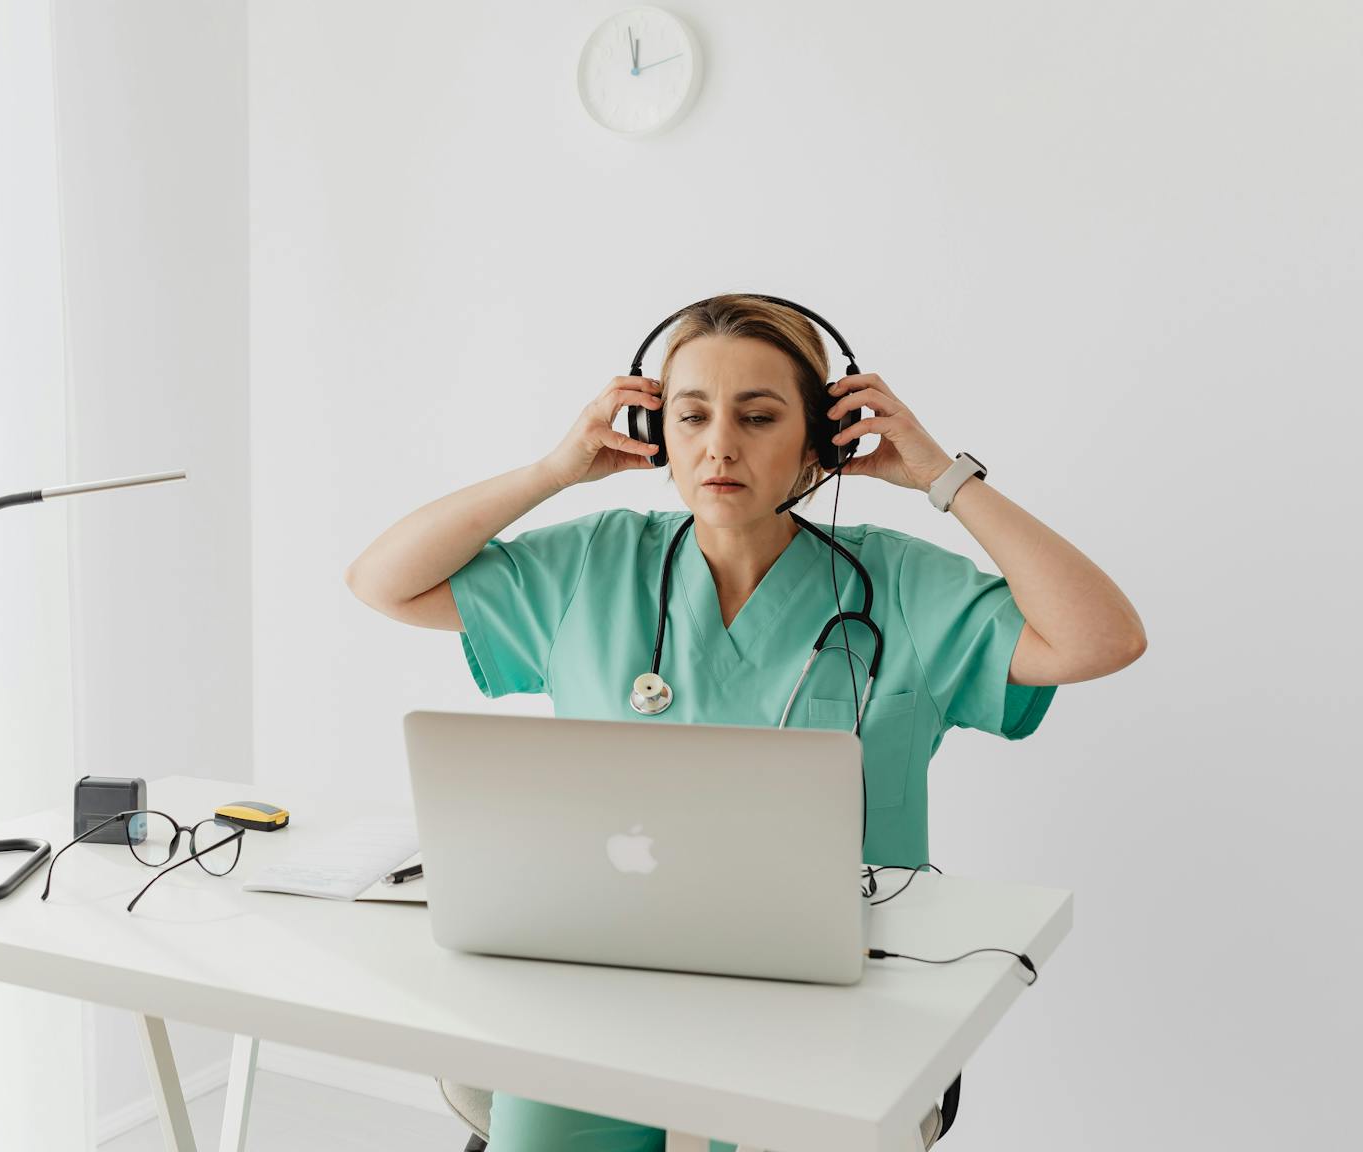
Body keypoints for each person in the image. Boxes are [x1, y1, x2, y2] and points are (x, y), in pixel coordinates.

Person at [344, 294, 1147, 1152]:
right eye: (691, 416)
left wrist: (942, 478)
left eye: (759, 416)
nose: (719, 445)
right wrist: (554, 471)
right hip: (605, 981)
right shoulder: (594, 562)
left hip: (836, 1002)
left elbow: (1101, 638)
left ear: (821, 442)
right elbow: (382, 581)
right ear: (656, 437)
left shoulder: (900, 585)